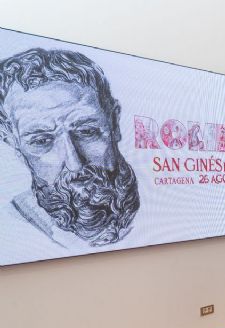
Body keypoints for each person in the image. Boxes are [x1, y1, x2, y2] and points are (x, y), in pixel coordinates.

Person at [0, 48, 139, 253]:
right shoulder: (14, 229)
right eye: (42, 140)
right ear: (15, 145)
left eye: (87, 131)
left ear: (114, 123)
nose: (75, 163)